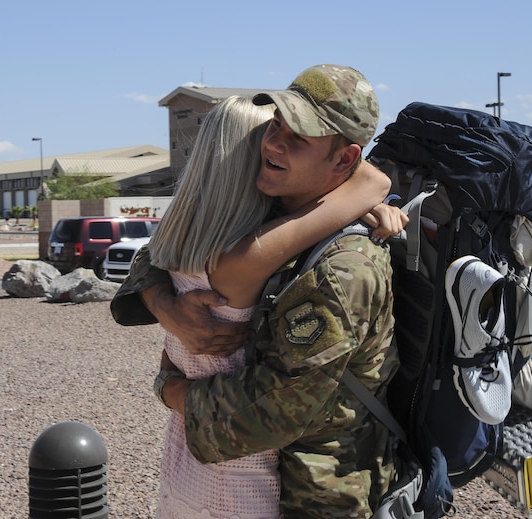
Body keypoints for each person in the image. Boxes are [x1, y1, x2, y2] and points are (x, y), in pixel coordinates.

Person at [112, 64, 408, 517]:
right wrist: (163, 303)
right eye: (275, 126)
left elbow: (275, 410)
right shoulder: (271, 214)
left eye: (299, 138)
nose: (273, 143)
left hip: (315, 496)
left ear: (346, 161)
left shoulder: (342, 265)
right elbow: (158, 254)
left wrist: (169, 389)